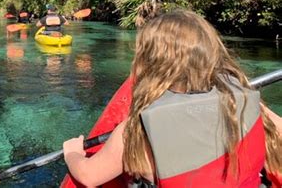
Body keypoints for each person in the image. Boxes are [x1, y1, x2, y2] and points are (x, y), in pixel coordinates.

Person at [63, 10, 281, 187]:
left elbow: (88, 176)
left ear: (148, 63)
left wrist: (72, 153)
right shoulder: (245, 105)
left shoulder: (135, 131)